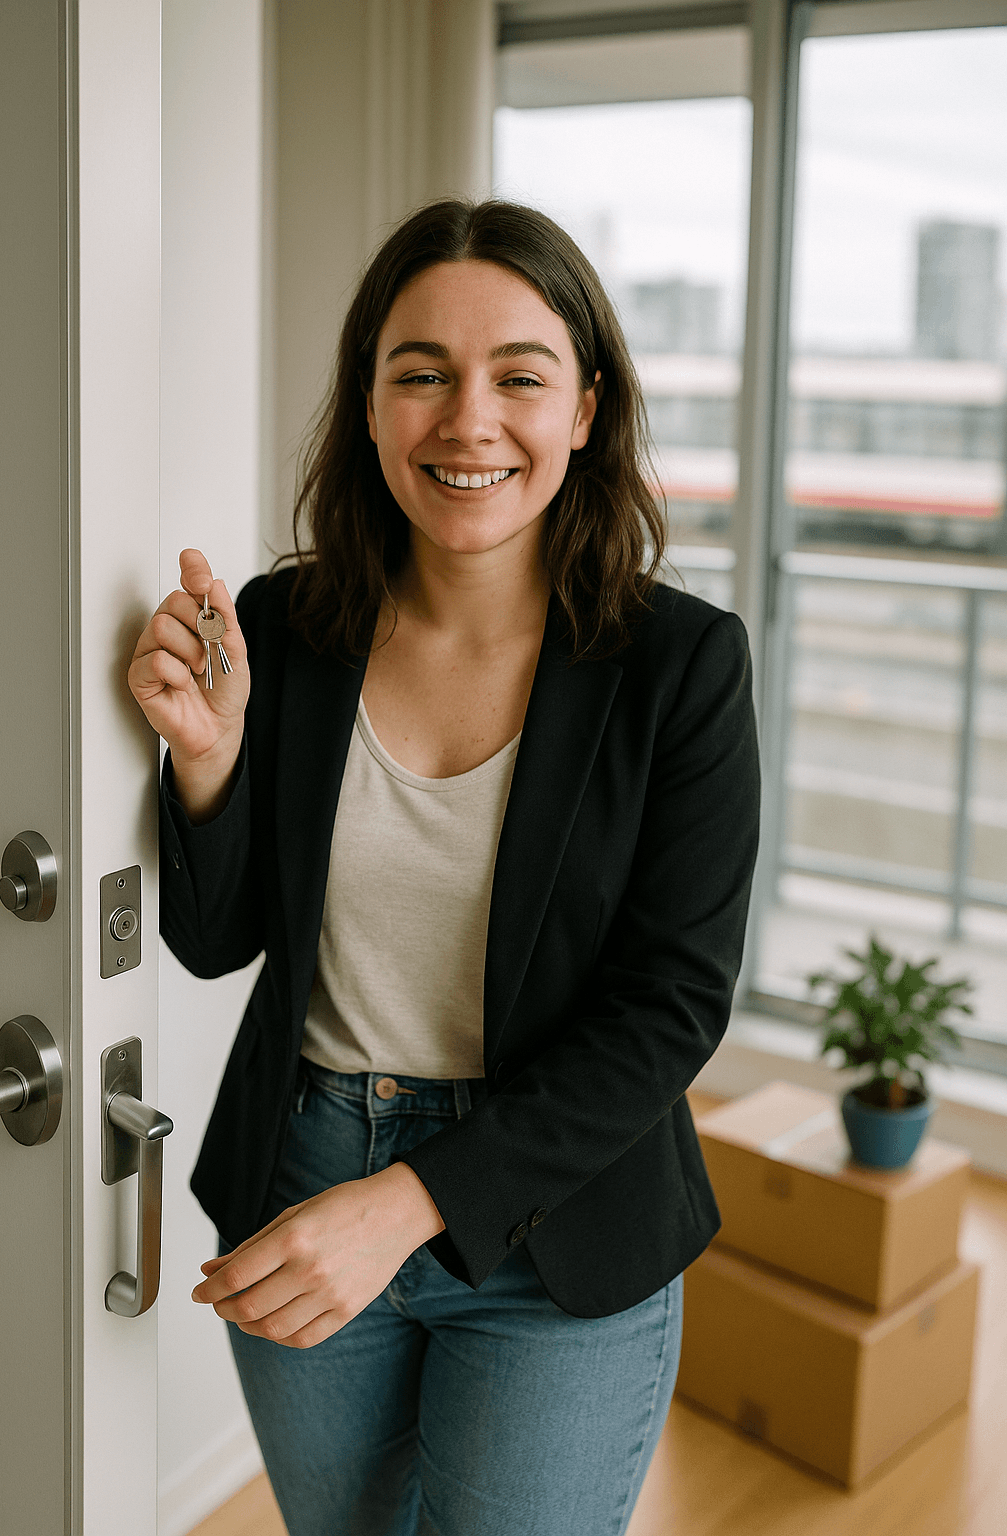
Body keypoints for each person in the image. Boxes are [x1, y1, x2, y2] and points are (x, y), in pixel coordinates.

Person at [129, 198, 760, 1536]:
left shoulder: (682, 667)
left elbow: (670, 1012)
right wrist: (207, 763)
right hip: (304, 1170)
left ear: (586, 408)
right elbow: (211, 937)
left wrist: (410, 1203)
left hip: (564, 1227)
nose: (467, 419)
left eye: (518, 376)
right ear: (369, 404)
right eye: (420, 373)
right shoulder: (282, 628)